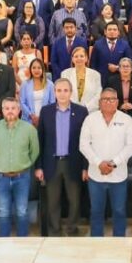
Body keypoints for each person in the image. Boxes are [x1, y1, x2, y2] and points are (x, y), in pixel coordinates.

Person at [78, 88, 132, 238]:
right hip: (96, 176)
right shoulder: (90, 119)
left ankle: (119, 243)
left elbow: (131, 146)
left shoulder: (126, 120)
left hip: (118, 176)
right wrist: (99, 163)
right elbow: (83, 145)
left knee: (119, 211)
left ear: (117, 102)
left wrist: (114, 163)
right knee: (96, 211)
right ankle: (97, 242)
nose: (108, 102)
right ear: (99, 102)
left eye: (112, 99)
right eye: (105, 99)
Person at [35, 80, 89, 236]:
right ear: (54, 92)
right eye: (59, 90)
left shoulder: (81, 111)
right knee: (53, 202)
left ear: (71, 92)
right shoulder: (46, 111)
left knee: (75, 201)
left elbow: (86, 141)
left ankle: (72, 229)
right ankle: (54, 232)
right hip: (52, 163)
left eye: (66, 90)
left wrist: (85, 167)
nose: (62, 93)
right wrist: (39, 166)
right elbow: (41, 140)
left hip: (74, 163)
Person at [0, 96, 40, 238]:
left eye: (13, 108)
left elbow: (34, 152)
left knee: (22, 211)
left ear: (19, 110)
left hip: (22, 176)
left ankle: (23, 243)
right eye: (7, 108)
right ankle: (3, 244)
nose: (10, 111)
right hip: (1, 177)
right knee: (3, 211)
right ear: (2, 110)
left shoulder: (29, 129)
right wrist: (2, 164)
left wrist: (23, 164)